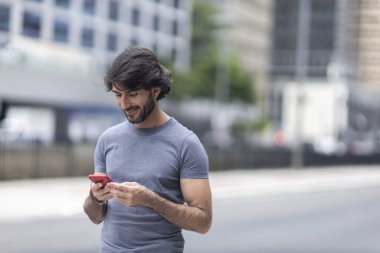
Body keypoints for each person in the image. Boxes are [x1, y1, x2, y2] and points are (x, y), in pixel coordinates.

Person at [83, 46, 212, 253]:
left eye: (132, 94)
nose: (124, 104)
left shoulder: (186, 143)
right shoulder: (108, 140)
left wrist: (150, 200)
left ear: (155, 91)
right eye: (118, 94)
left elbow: (203, 222)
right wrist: (95, 198)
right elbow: (95, 216)